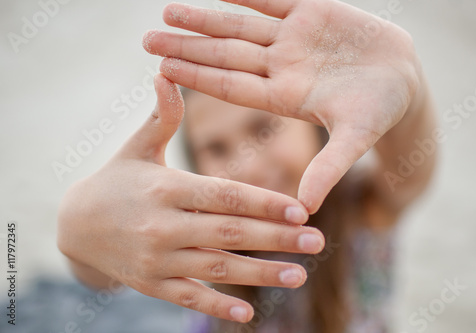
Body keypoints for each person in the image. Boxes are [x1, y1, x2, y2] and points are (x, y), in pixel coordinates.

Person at [58, 0, 437, 331]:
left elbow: (410, 165)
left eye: (265, 127)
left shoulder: (363, 208)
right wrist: (78, 228)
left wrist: (408, 90)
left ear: (315, 124)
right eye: (217, 148)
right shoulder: (195, 230)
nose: (249, 163)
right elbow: (106, 275)